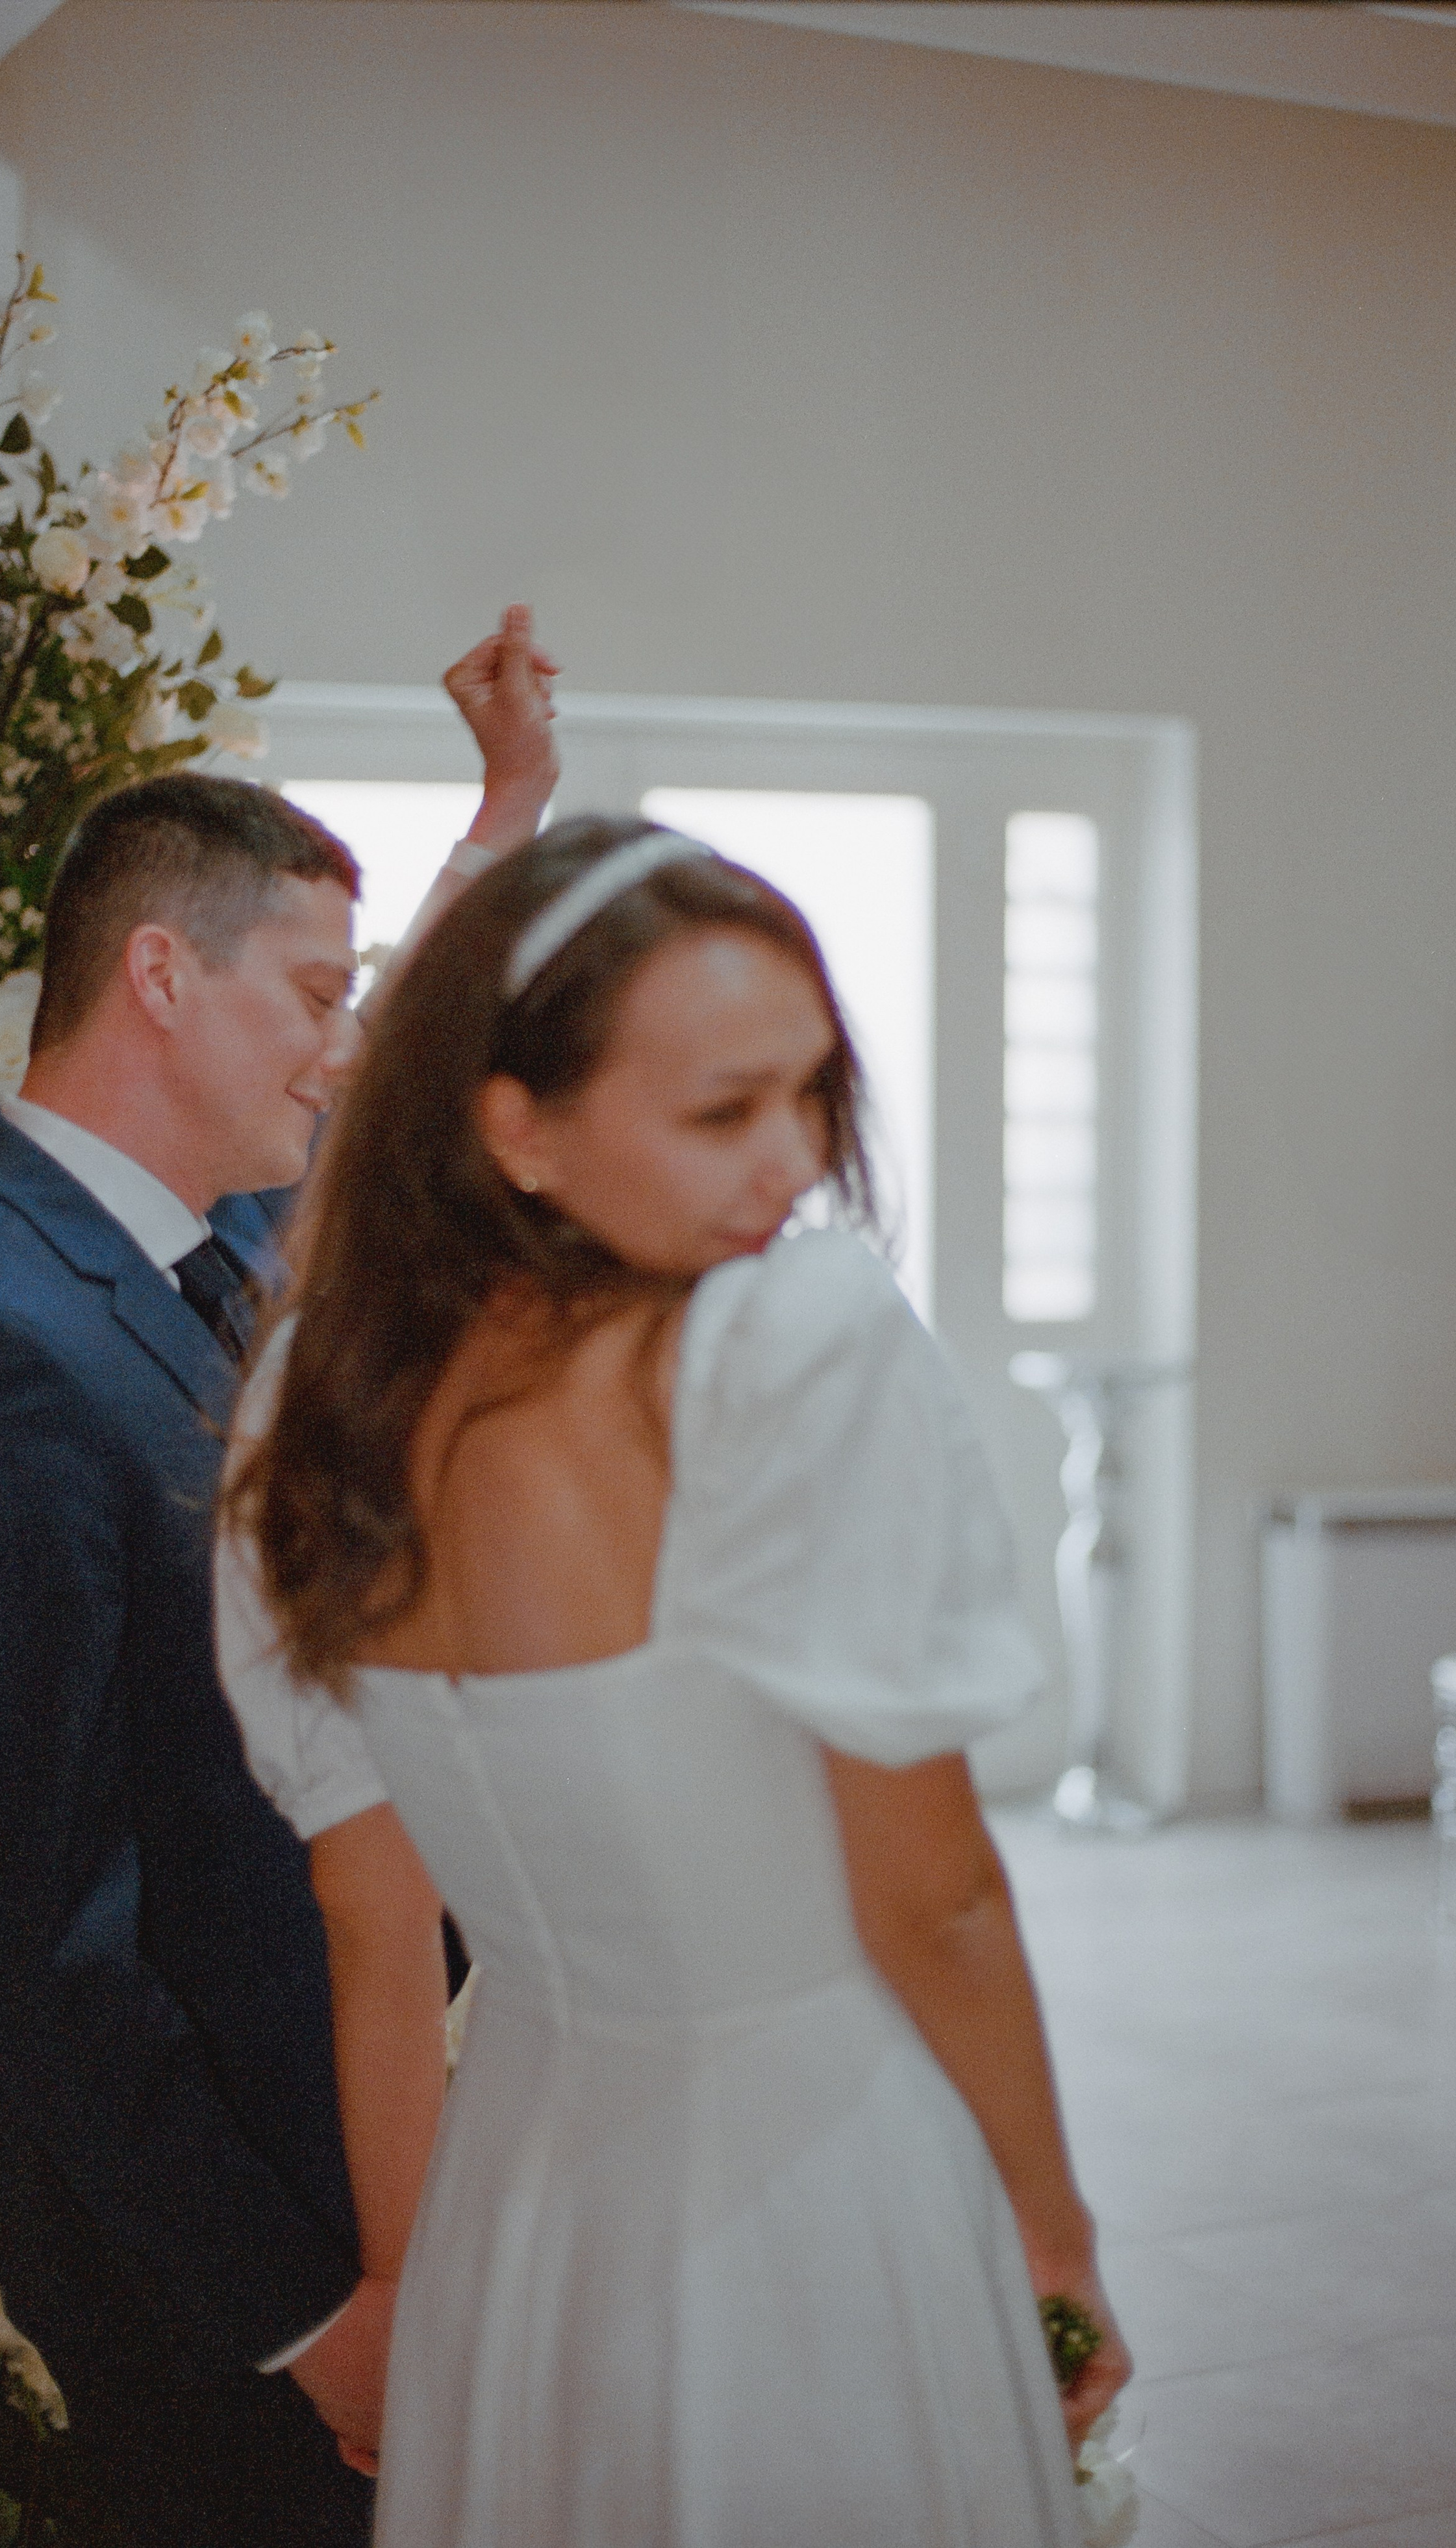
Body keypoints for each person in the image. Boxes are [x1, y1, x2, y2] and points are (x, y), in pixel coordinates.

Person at [218, 815, 1133, 2542]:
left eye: (813, 1094)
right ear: (519, 1129)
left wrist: (417, 2292)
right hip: (816, 2177)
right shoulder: (787, 1353)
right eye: (724, 1111)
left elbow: (371, 1921)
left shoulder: (312, 1402)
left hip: (519, 2218)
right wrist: (1052, 2228)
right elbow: (932, 1894)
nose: (794, 1162)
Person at [0, 607, 558, 2546]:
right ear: (161, 975)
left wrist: (508, 810)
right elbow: (38, 1941)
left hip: (346, 2133)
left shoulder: (201, 1233)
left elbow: (391, 1070)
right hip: (218, 2256)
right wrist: (307, 2319)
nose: (343, 1052)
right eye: (311, 996)